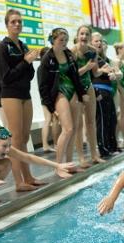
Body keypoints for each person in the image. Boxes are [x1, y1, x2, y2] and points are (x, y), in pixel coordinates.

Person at [0, 9, 43, 192]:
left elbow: (29, 74)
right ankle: (18, 182)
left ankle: (28, 177)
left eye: (19, 22)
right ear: (7, 25)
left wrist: (29, 62)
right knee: (15, 140)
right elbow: (5, 77)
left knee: (24, 137)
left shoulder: (22, 45)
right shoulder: (3, 47)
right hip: (10, 95)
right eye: (13, 22)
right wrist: (25, 61)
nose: (17, 24)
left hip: (25, 94)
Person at [38, 28, 88, 173]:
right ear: (53, 40)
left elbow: (76, 77)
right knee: (68, 129)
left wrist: (82, 93)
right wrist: (50, 107)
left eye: (66, 40)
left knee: (73, 130)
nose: (64, 43)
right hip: (59, 93)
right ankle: (58, 167)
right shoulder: (48, 58)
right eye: (61, 40)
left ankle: (69, 165)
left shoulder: (69, 55)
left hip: (72, 91)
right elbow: (42, 86)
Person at [71, 25, 105, 168]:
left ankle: (94, 155)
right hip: (75, 89)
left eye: (86, 34)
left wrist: (106, 70)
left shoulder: (92, 51)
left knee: (91, 123)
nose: (84, 36)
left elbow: (95, 73)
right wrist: (86, 68)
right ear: (78, 36)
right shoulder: (72, 51)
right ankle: (81, 158)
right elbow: (71, 74)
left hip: (88, 87)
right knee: (78, 125)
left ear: (90, 37)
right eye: (82, 34)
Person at [92, 33, 120, 157]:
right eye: (96, 41)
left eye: (101, 41)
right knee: (102, 121)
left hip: (108, 91)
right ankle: (104, 149)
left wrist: (115, 74)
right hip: (98, 90)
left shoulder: (102, 59)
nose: (99, 43)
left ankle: (112, 146)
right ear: (91, 43)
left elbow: (116, 72)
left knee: (112, 120)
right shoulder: (91, 57)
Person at [39, 47, 60, 153]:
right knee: (51, 119)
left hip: (47, 96)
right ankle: (52, 144)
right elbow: (43, 86)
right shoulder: (44, 67)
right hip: (48, 97)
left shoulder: (47, 66)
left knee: (50, 120)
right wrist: (47, 100)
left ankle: (47, 144)